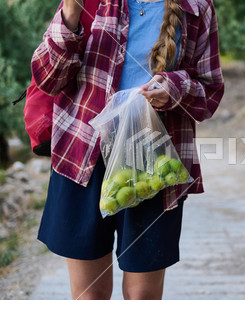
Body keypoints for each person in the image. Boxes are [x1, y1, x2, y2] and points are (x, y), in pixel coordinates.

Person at [31, 0, 224, 300]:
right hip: (83, 157)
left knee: (142, 298)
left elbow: (209, 92)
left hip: (154, 164)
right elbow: (47, 79)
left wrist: (172, 88)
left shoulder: (196, 7)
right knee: (89, 297)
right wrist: (70, 14)